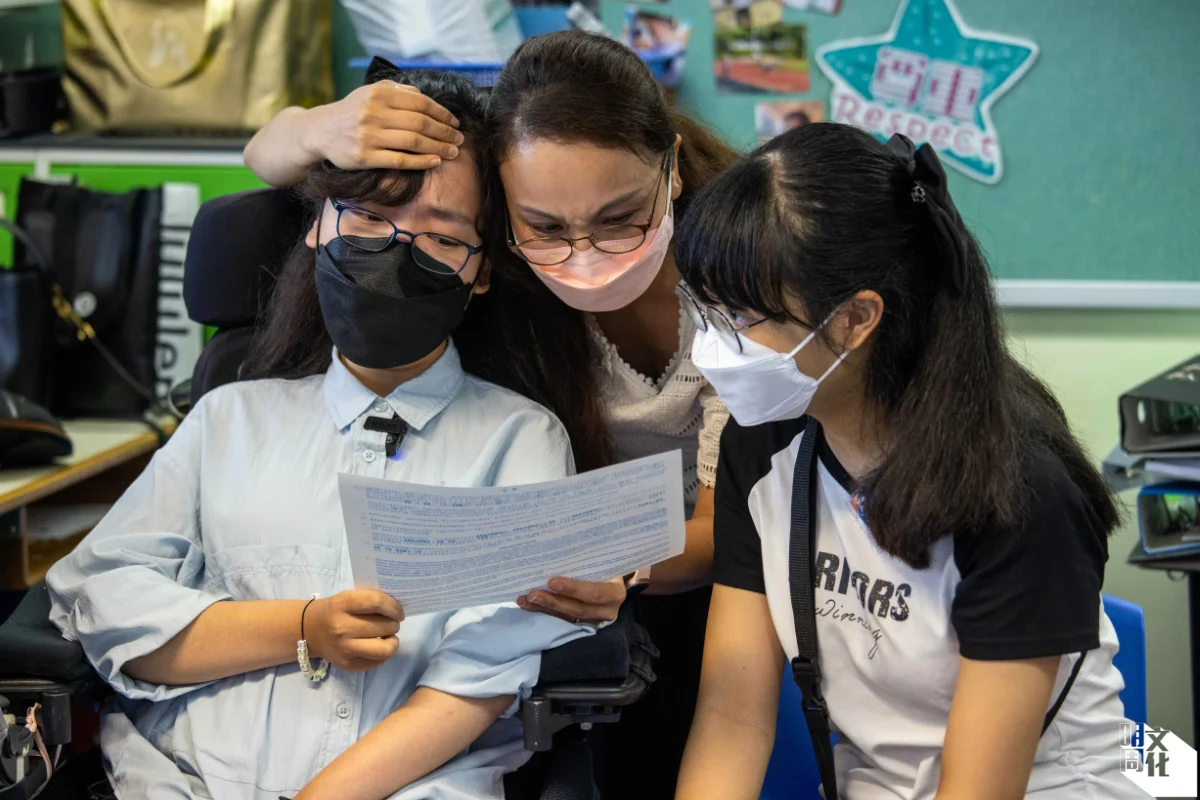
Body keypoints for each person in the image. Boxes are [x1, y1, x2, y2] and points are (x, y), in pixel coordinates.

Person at [45, 66, 596, 800]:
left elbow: (484, 675)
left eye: (441, 236)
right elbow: (107, 607)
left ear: (482, 273)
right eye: (368, 219)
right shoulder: (230, 418)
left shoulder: (519, 439)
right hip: (172, 781)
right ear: (317, 226)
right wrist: (302, 626)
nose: (396, 254)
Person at [244, 33, 740, 796]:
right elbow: (269, 163)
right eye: (545, 227)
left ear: (670, 170)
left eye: (619, 219)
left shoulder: (742, 288)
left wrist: (621, 566)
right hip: (580, 580)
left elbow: (725, 528)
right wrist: (316, 129)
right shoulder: (498, 279)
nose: (585, 253)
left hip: (713, 560)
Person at [672, 124, 1147, 799]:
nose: (712, 344)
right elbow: (732, 715)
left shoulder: (1022, 491)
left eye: (740, 317)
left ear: (855, 320)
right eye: (702, 307)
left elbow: (979, 789)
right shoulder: (766, 437)